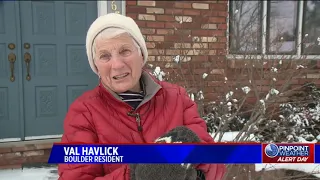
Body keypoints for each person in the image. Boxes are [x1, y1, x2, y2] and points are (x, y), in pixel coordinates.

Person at [58, 13, 226, 180]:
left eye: (125, 51)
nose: (117, 64)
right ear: (96, 65)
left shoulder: (177, 98)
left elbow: (215, 165)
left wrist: (195, 169)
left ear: (141, 55)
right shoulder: (83, 114)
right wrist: (134, 174)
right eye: (105, 56)